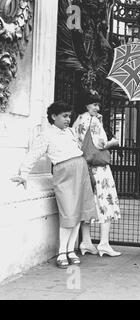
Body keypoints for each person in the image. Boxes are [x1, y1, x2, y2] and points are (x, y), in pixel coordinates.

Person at [11, 102, 98, 268]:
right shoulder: (46, 135)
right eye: (64, 116)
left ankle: (71, 250)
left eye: (69, 116)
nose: (68, 119)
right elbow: (33, 155)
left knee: (79, 212)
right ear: (53, 116)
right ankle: (61, 252)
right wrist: (23, 174)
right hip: (64, 174)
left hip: (80, 170)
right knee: (68, 213)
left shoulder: (69, 132)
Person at [72, 91, 122, 257]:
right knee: (105, 202)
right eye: (94, 104)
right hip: (99, 169)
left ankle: (86, 242)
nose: (97, 107)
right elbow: (101, 144)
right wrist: (113, 142)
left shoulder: (78, 120)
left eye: (98, 104)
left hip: (84, 166)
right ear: (87, 104)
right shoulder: (93, 120)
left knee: (88, 203)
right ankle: (104, 243)